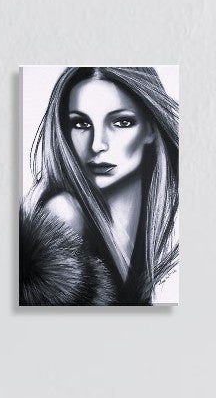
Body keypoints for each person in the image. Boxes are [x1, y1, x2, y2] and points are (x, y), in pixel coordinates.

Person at [19, 66, 180, 305]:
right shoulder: (64, 213)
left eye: (121, 122)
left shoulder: (143, 232)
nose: (97, 145)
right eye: (81, 124)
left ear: (151, 129)